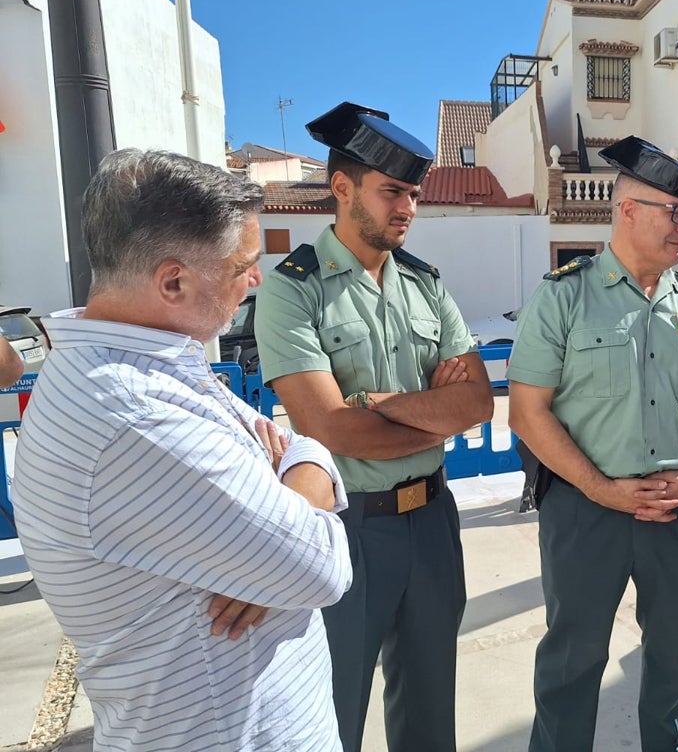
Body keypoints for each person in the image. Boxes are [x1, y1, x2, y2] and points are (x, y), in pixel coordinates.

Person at [11, 149, 352, 752]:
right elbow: (321, 567)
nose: (256, 280)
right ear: (173, 281)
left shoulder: (146, 362)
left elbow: (302, 447)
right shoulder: (133, 413)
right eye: (244, 264)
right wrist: (279, 541)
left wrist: (276, 516)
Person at [254, 101, 493, 752]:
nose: (407, 207)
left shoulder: (426, 285)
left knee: (428, 714)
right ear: (342, 188)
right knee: (335, 716)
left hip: (432, 524)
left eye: (413, 194)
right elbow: (333, 431)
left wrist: (382, 404)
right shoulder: (294, 289)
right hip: (348, 529)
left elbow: (477, 403)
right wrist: (429, 416)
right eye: (392, 191)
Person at [507, 135, 678, 752]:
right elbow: (526, 412)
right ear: (628, 211)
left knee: (675, 661)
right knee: (572, 659)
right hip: (586, 510)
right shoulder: (563, 295)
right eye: (675, 213)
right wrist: (601, 489)